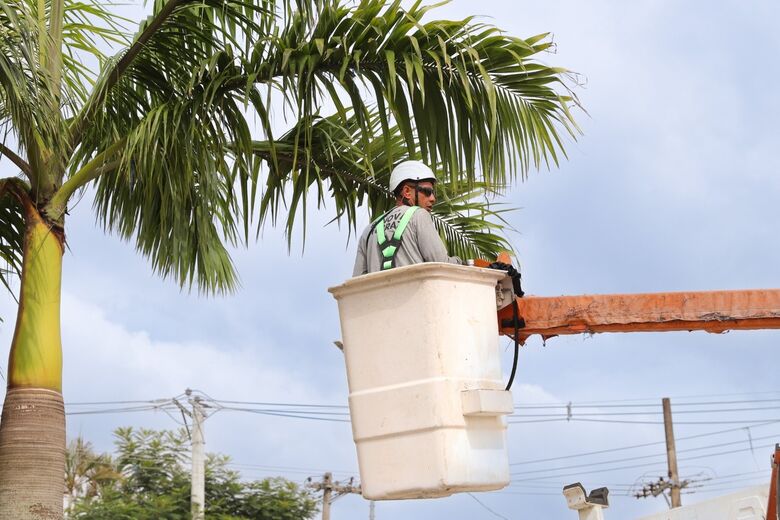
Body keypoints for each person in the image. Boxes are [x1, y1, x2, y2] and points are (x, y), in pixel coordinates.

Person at [353, 160, 463, 276]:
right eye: (427, 191)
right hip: (415, 294)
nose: (433, 198)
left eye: (433, 192)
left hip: (379, 294)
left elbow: (356, 282)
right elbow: (442, 265)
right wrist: (463, 263)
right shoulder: (419, 215)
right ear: (407, 192)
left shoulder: (370, 230)